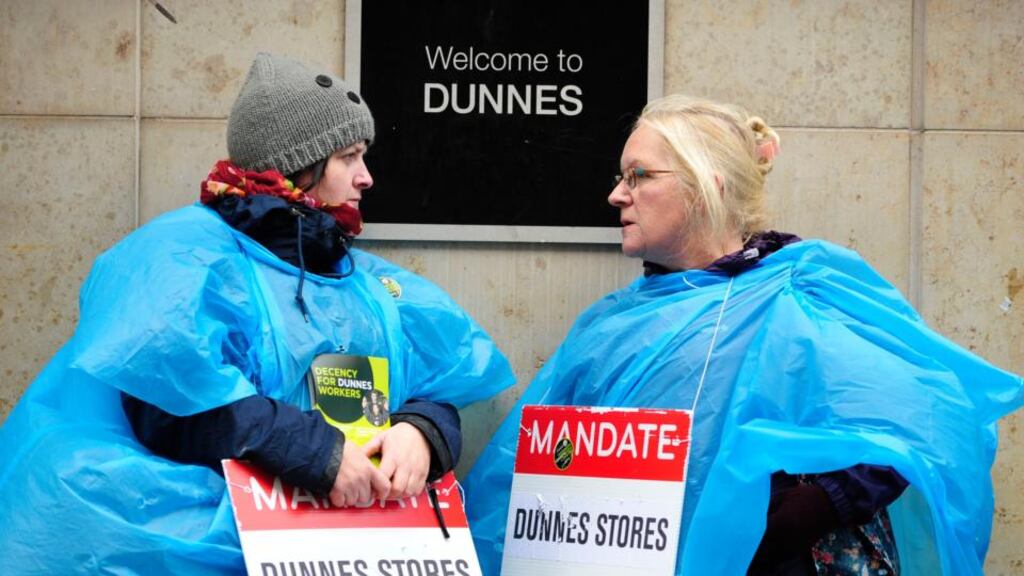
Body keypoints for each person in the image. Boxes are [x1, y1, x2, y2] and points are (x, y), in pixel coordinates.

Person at [464, 95, 1023, 575]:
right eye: (620, 176)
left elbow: (925, 416)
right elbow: (534, 466)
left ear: (709, 183)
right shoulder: (612, 323)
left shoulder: (804, 291)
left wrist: (821, 501)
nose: (617, 194)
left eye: (639, 175)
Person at [0, 53, 514, 574]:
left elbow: (432, 382)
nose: (366, 178)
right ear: (298, 165)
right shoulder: (184, 256)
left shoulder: (363, 281)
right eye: (350, 157)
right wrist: (313, 452)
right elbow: (169, 404)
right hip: (219, 545)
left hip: (347, 547)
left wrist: (422, 431)